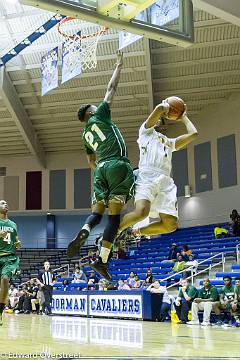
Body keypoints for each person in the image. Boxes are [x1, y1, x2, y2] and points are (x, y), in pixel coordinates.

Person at [67, 50, 134, 282]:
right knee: (114, 219)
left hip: (100, 171)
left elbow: (91, 162)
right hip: (117, 165)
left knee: (97, 213)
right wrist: (119, 65)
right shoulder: (101, 115)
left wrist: (102, 174)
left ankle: (86, 230)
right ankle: (102, 260)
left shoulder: (85, 135)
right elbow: (111, 89)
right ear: (91, 112)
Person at [117, 102, 198, 238]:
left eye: (162, 119)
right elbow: (159, 110)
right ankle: (114, 232)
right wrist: (165, 106)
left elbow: (194, 134)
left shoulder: (170, 142)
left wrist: (183, 116)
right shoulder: (145, 132)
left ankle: (136, 232)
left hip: (165, 180)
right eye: (158, 119)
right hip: (147, 175)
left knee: (170, 225)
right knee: (141, 212)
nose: (159, 120)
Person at [0, 200, 21, 325]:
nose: (6, 204)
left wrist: (18, 243)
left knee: (5, 279)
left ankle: (0, 310)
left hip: (9, 258)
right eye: (2, 203)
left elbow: (16, 240)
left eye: (6, 203)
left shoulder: (13, 224)